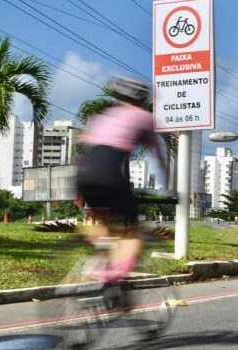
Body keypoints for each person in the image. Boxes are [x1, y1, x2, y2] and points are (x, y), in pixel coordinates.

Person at [76, 76, 165, 285]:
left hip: (83, 172)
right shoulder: (145, 117)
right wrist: (170, 187)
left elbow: (83, 147)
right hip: (108, 173)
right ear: (144, 99)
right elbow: (160, 158)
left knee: (103, 223)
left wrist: (80, 192)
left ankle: (97, 263)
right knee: (134, 230)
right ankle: (115, 276)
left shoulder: (103, 116)